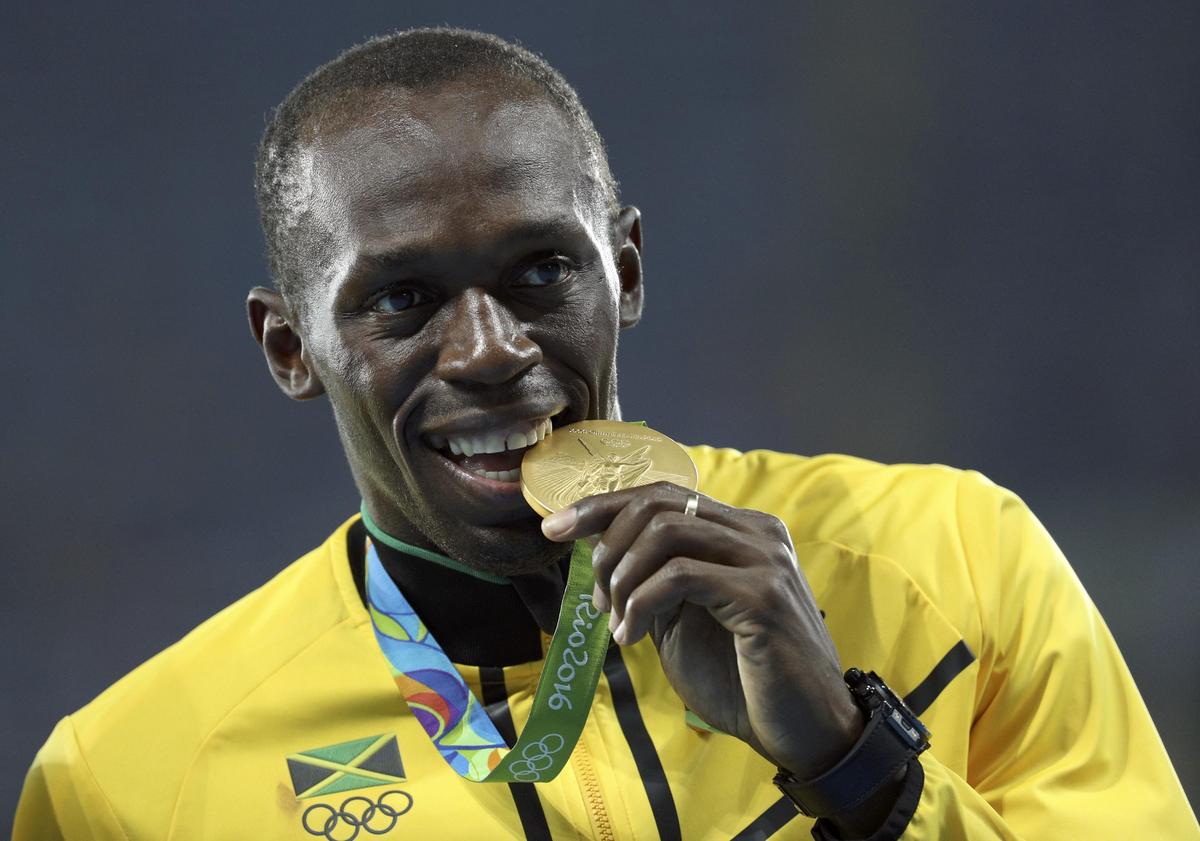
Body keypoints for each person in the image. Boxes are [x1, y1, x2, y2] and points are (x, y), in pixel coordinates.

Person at [13, 27, 1197, 841]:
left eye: (540, 270)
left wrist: (857, 765)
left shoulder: (954, 559)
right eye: (403, 299)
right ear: (291, 350)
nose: (487, 348)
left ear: (624, 269)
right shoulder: (131, 779)